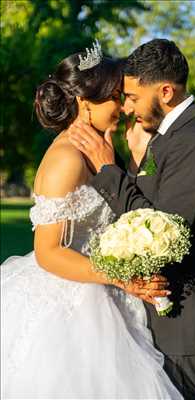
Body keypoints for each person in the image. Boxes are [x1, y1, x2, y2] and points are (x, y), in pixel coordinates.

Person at [1, 42, 182, 399]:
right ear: (86, 103)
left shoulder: (97, 148)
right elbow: (48, 252)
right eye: (116, 96)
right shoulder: (66, 158)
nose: (125, 105)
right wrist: (121, 277)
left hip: (105, 289)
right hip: (73, 302)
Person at [69, 38, 195, 400]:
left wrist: (108, 169)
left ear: (165, 91)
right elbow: (150, 199)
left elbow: (160, 232)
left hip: (184, 312)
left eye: (132, 97)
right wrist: (136, 162)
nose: (127, 107)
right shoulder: (169, 136)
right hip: (161, 303)